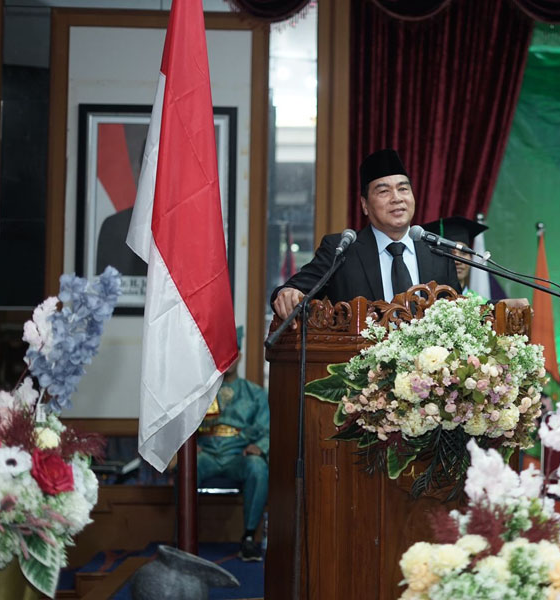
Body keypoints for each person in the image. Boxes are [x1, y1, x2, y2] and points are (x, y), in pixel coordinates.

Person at [271, 149, 461, 320]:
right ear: (364, 205)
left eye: (403, 189)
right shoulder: (342, 250)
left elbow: (457, 315)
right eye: (384, 191)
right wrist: (288, 293)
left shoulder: (438, 253)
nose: (397, 198)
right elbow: (294, 289)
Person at [196, 326, 270, 561]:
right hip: (206, 453)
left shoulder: (255, 393)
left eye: (232, 352)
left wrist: (260, 447)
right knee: (187, 466)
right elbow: (184, 425)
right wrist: (189, 447)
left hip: (239, 455)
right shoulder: (200, 393)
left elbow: (267, 428)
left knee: (258, 467)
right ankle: (184, 536)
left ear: (239, 355)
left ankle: (248, 538)